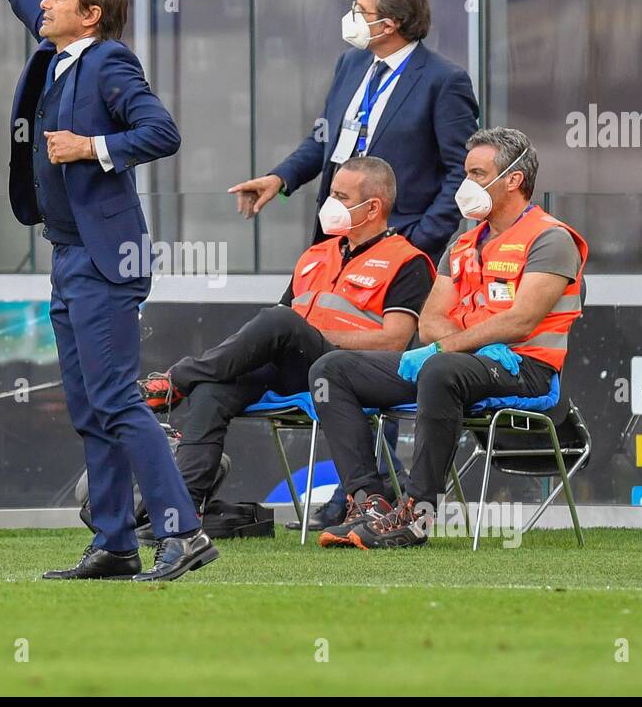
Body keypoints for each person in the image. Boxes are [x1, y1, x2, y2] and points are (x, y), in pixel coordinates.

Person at [0, 0, 215, 581]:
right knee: (90, 408)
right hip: (68, 256)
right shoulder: (56, 54)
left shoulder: (108, 63)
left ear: (91, 15)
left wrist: (91, 146)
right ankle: (113, 544)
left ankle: (182, 531)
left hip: (106, 261)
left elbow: (161, 132)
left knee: (117, 402)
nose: (44, 4)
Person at [308, 127, 588, 549]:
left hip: (524, 369)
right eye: (466, 173)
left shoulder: (551, 238)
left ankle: (417, 513)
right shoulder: (462, 244)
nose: (466, 185)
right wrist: (457, 344)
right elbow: (430, 321)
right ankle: (368, 500)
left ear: (513, 179)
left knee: (439, 368)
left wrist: (447, 347)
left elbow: (521, 321)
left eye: (477, 173)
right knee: (332, 369)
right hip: (458, 363)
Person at [139, 157, 433, 511]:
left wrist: (313, 332)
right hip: (292, 368)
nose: (329, 204)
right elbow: (279, 325)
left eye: (340, 196)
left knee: (283, 323)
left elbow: (394, 342)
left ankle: (177, 380)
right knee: (212, 391)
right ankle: (182, 511)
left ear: (372, 208)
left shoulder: (407, 260)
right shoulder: (316, 255)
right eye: (330, 194)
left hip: (350, 370)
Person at [228, 0, 477, 265]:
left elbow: (463, 171)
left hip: (399, 242)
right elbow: (323, 138)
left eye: (361, 10)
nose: (352, 17)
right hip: (335, 238)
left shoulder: (444, 80)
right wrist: (280, 179)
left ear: (390, 24)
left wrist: (422, 240)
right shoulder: (351, 63)